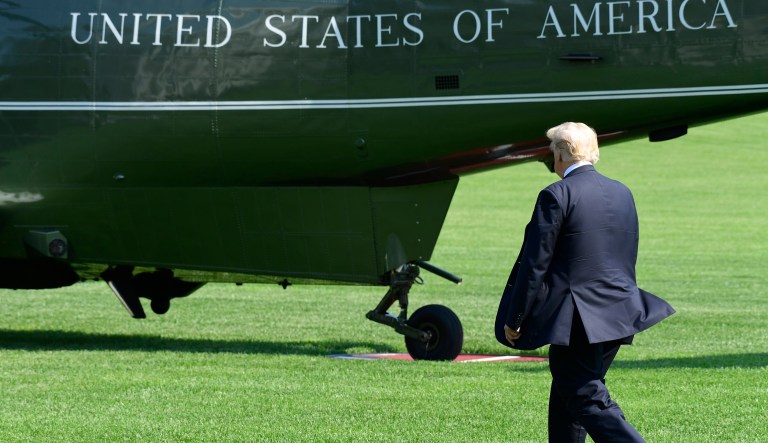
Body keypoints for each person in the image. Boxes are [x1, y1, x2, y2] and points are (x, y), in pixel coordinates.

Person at [495, 122, 675, 442]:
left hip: (578, 317)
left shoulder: (557, 194)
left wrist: (516, 318)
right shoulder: (622, 191)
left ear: (563, 154)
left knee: (583, 393)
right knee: (568, 393)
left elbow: (535, 263)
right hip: (620, 312)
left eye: (553, 152)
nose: (552, 160)